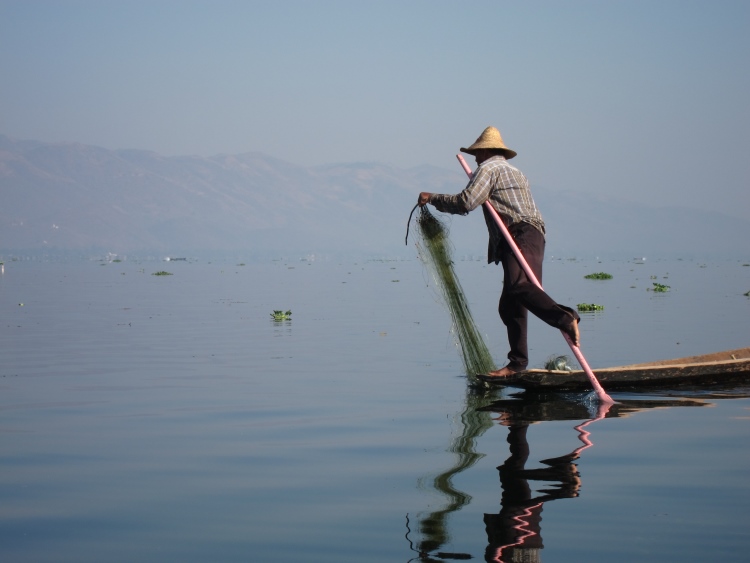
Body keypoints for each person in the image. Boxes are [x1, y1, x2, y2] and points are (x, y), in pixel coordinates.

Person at [418, 126, 580, 378]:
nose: (475, 158)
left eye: (477, 153)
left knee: (518, 287)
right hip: (532, 235)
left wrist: (433, 198)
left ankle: (565, 317)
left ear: (487, 151)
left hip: (520, 233)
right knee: (510, 306)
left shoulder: (489, 169)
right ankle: (516, 364)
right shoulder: (515, 171)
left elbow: (466, 202)